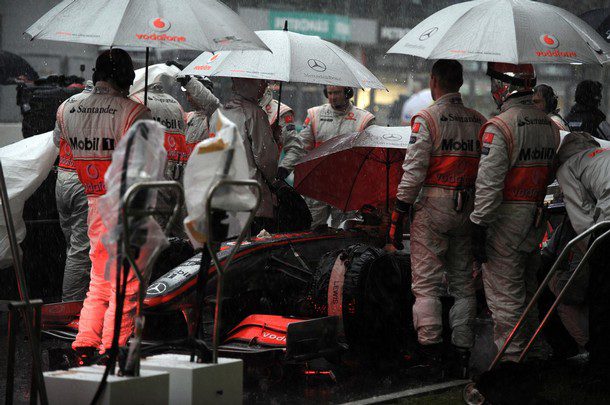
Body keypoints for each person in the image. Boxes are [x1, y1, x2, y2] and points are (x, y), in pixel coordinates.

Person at [389, 60, 485, 376]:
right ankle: (461, 355)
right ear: (459, 82)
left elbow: (413, 170)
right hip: (469, 210)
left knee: (427, 285)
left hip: (433, 207)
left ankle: (430, 355)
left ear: (434, 81)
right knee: (462, 286)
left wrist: (400, 210)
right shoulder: (478, 121)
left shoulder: (426, 118)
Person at [56, 49, 151, 359]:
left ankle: (85, 341)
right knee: (127, 283)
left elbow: (67, 146)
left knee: (98, 280)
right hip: (127, 205)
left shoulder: (67, 110)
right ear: (127, 77)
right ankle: (115, 347)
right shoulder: (135, 112)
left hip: (94, 201)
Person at [470, 63, 560, 362]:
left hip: (503, 220)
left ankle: (511, 365)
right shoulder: (548, 124)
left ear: (504, 86)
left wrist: (478, 225)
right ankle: (533, 355)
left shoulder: (500, 126)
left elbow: (489, 183)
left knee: (505, 298)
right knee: (528, 292)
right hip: (535, 217)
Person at [555, 131, 610, 376]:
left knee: (602, 296)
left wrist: (592, 257)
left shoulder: (568, 166)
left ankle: (600, 363)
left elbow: (582, 220)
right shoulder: (603, 154)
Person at [287, 85, 375, 228]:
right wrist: (286, 169)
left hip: (346, 188)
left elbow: (370, 158)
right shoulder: (315, 115)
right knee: (311, 230)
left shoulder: (364, 119)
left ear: (347, 93)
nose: (333, 97)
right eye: (330, 93)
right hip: (317, 186)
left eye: (337, 93)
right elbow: (300, 149)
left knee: (344, 234)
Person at [221, 78, 280, 233]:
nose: (265, 86)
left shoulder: (219, 113)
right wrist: (273, 140)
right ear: (250, 84)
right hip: (251, 200)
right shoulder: (255, 113)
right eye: (261, 82)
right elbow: (266, 159)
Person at [54, 80, 93, 302]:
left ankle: (77, 300)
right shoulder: (104, 106)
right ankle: (70, 308)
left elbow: (55, 141)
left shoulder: (65, 104)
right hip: (83, 181)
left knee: (72, 246)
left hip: (63, 179)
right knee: (81, 251)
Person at [130, 79, 186, 181]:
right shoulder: (176, 103)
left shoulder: (137, 100)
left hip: (148, 167)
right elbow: (184, 129)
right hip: (175, 168)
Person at [258, 84, 304, 179]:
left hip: (265, 181)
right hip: (234, 180)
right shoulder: (233, 109)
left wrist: (282, 171)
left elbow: (294, 147)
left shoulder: (280, 111)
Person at [181, 75, 221, 159]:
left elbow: (213, 104)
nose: (188, 99)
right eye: (186, 95)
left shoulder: (215, 116)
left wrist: (190, 82)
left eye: (190, 94)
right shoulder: (188, 116)